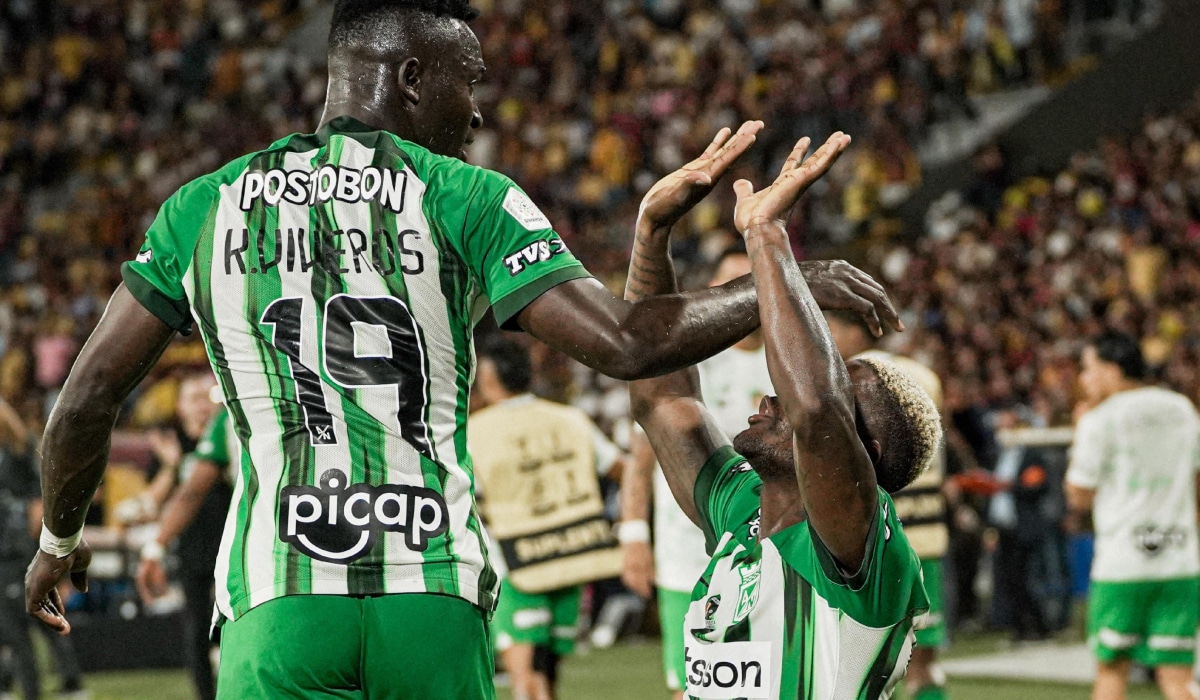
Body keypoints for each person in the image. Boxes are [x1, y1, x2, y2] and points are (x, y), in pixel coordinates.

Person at [25, 2, 897, 697]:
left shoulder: (202, 207)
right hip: (430, 589)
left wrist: (60, 538)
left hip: (278, 594)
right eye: (467, 79)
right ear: (411, 76)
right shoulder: (466, 196)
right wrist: (790, 278)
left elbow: (84, 400)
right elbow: (627, 345)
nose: (477, 107)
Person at [627, 131, 939, 698]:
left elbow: (816, 409)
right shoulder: (743, 510)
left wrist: (767, 236)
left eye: (843, 398)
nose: (776, 396)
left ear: (860, 459)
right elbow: (660, 397)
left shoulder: (862, 551)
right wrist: (652, 235)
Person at [621, 246, 775, 699]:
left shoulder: (786, 361)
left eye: (754, 279)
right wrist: (633, 533)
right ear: (714, 292)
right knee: (692, 683)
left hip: (769, 544)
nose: (745, 290)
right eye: (732, 281)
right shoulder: (691, 359)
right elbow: (642, 454)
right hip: (686, 546)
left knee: (762, 677)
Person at [469, 337, 625, 700]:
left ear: (489, 379)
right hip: (575, 553)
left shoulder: (477, 431)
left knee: (525, 676)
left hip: (517, 560)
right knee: (549, 672)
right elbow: (621, 467)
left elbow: (466, 492)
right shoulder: (570, 419)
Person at [1066, 332, 1200, 700]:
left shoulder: (1099, 419)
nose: (1084, 379)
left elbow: (1079, 494)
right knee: (1178, 680)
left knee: (1111, 674)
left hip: (1123, 566)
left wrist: (1080, 432)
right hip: (1180, 562)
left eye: (1089, 369)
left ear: (1112, 370)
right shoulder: (1182, 408)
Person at [826, 310, 951, 699]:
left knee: (864, 663)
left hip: (872, 537)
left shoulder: (843, 379)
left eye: (830, 328)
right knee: (923, 659)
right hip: (926, 533)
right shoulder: (924, 375)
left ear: (851, 330)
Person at [135, 402, 236, 700]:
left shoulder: (229, 426)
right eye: (191, 398)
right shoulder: (173, 448)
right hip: (191, 548)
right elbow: (154, 501)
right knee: (196, 630)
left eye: (202, 396)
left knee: (230, 623)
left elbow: (194, 492)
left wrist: (154, 549)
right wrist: (171, 465)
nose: (200, 406)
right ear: (181, 409)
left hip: (227, 544)